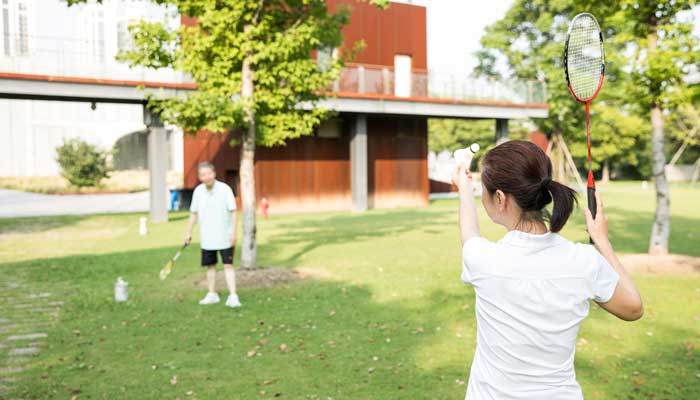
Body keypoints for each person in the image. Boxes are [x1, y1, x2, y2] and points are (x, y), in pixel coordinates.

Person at [452, 140, 643, 399]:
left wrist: (464, 189)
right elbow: (633, 308)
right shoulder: (584, 260)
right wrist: (603, 242)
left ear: (499, 198)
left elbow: (469, 234)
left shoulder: (484, 260)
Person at [184, 162, 241, 308]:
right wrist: (188, 232)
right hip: (207, 238)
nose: (207, 177)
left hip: (225, 237)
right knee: (210, 266)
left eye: (209, 173)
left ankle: (233, 296)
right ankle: (212, 294)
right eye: (203, 175)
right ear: (199, 177)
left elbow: (233, 212)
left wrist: (233, 233)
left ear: (214, 173)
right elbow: (193, 214)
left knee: (228, 265)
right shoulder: (198, 192)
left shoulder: (225, 189)